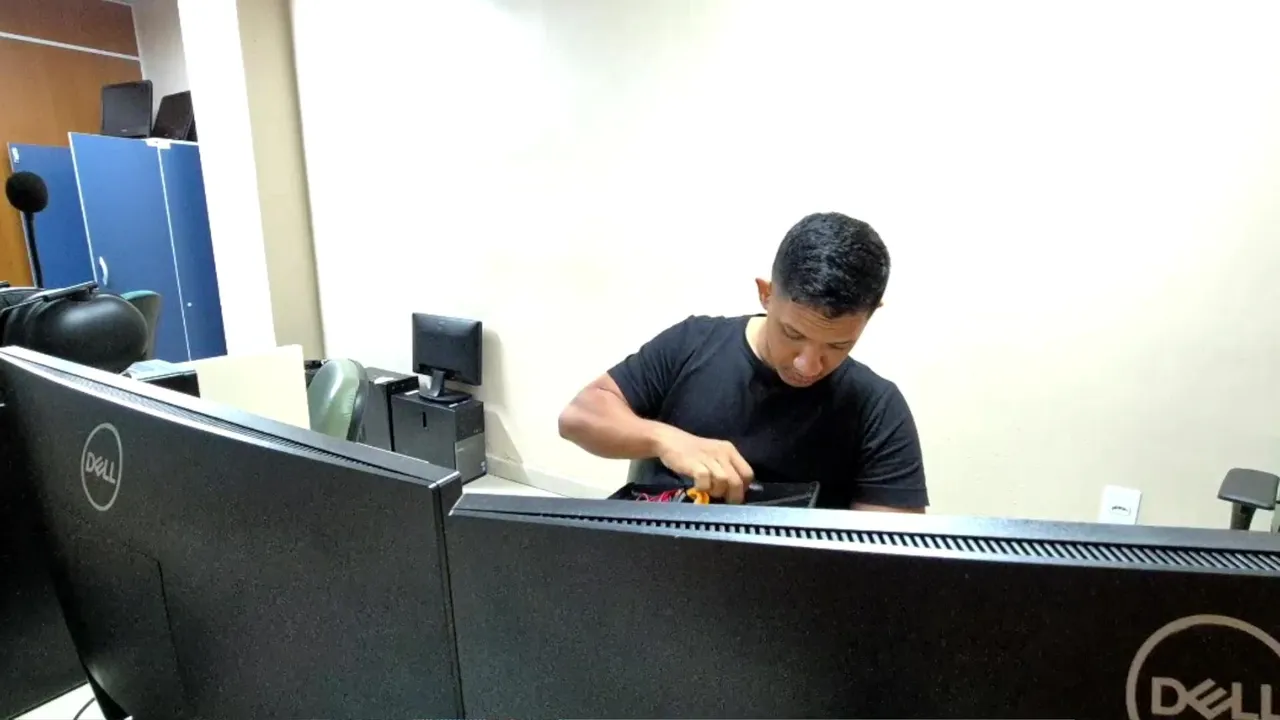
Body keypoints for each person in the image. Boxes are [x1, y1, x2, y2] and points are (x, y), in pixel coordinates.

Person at [558, 212, 927, 511]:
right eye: (793, 334)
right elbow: (578, 418)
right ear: (766, 294)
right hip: (656, 560)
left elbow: (889, 556)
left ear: (871, 315)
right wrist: (665, 440)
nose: (808, 365)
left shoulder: (877, 408)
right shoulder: (694, 343)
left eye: (839, 345)